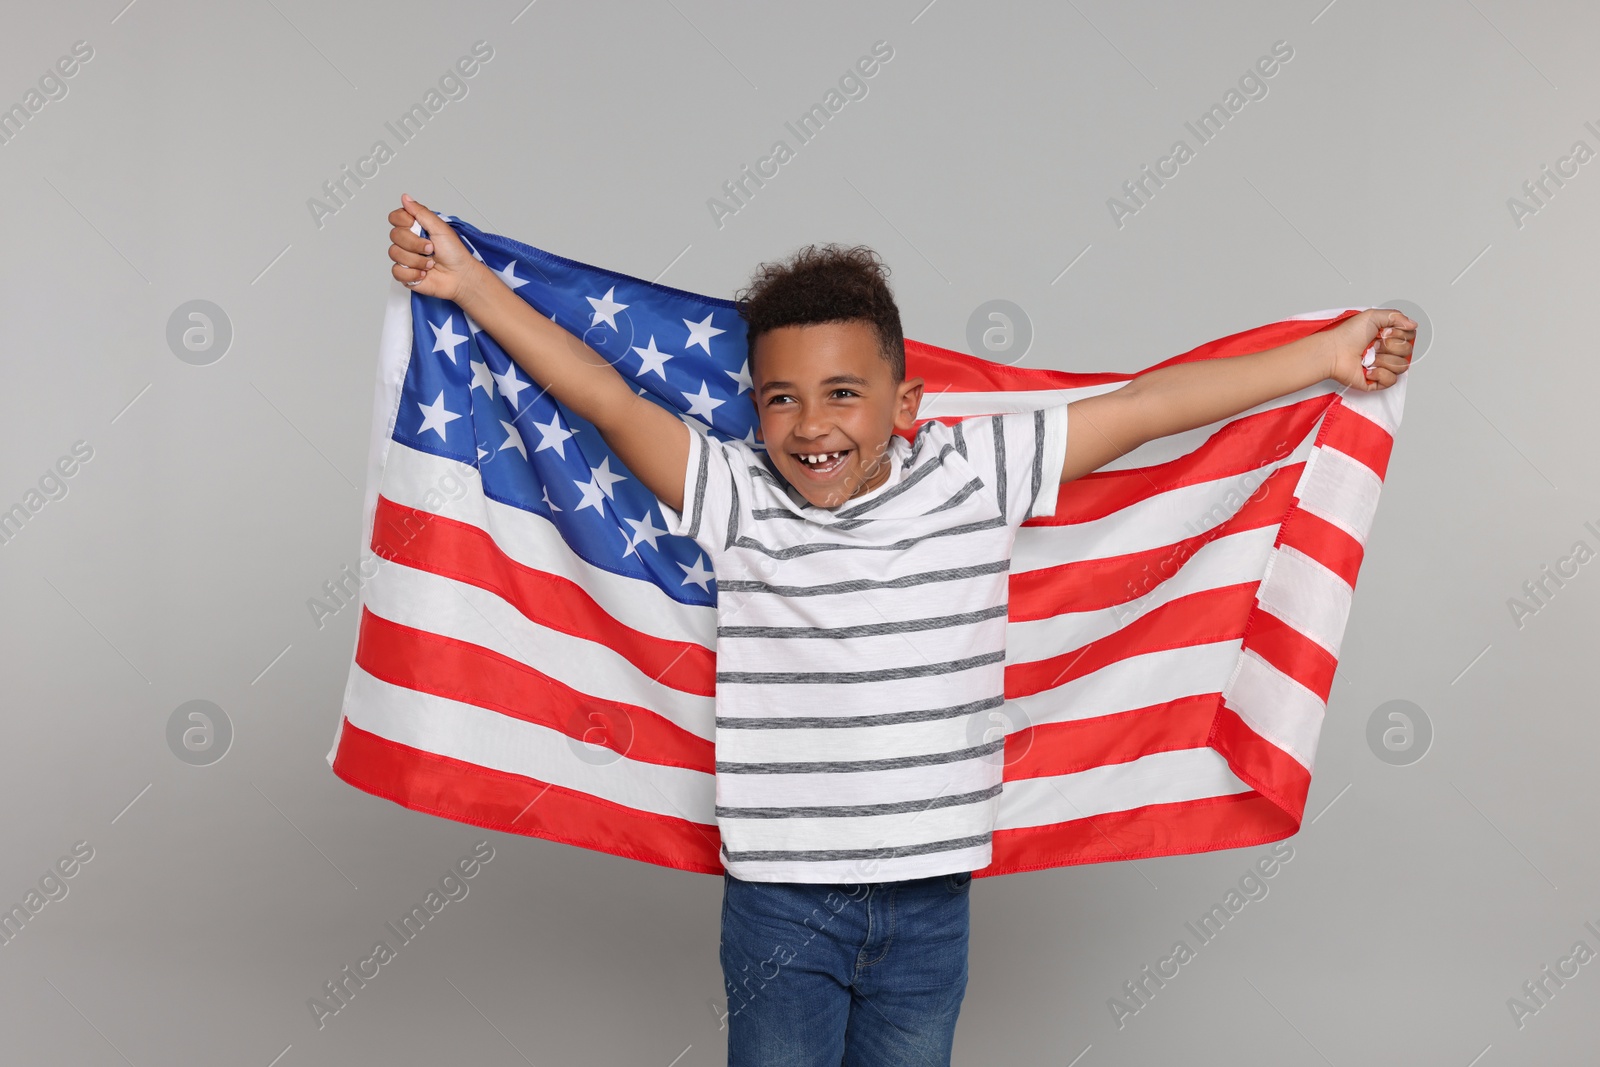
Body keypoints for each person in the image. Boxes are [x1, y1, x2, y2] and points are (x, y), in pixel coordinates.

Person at [384, 192, 1414, 1066]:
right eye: (780, 399)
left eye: (843, 392)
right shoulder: (734, 493)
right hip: (782, 903)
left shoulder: (976, 474)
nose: (811, 424)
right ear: (753, 409)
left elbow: (1148, 405)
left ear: (905, 402)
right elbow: (602, 395)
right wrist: (469, 285)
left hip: (930, 900)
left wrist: (1323, 353)